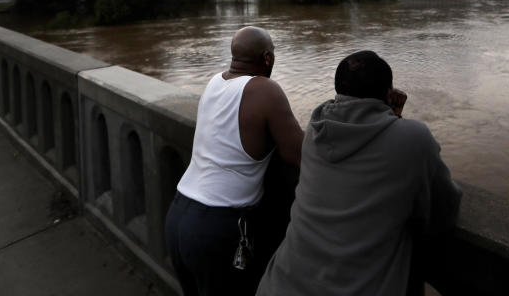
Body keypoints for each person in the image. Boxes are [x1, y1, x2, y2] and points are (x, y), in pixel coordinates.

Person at [257, 50, 462, 296]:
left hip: (279, 284)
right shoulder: (415, 139)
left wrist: (389, 117)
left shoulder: (316, 130)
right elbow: (444, 210)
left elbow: (363, 146)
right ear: (388, 93)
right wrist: (394, 117)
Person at [166, 26, 303, 296]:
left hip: (178, 216)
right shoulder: (266, 90)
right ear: (267, 59)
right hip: (216, 229)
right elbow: (297, 153)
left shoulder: (214, 81)